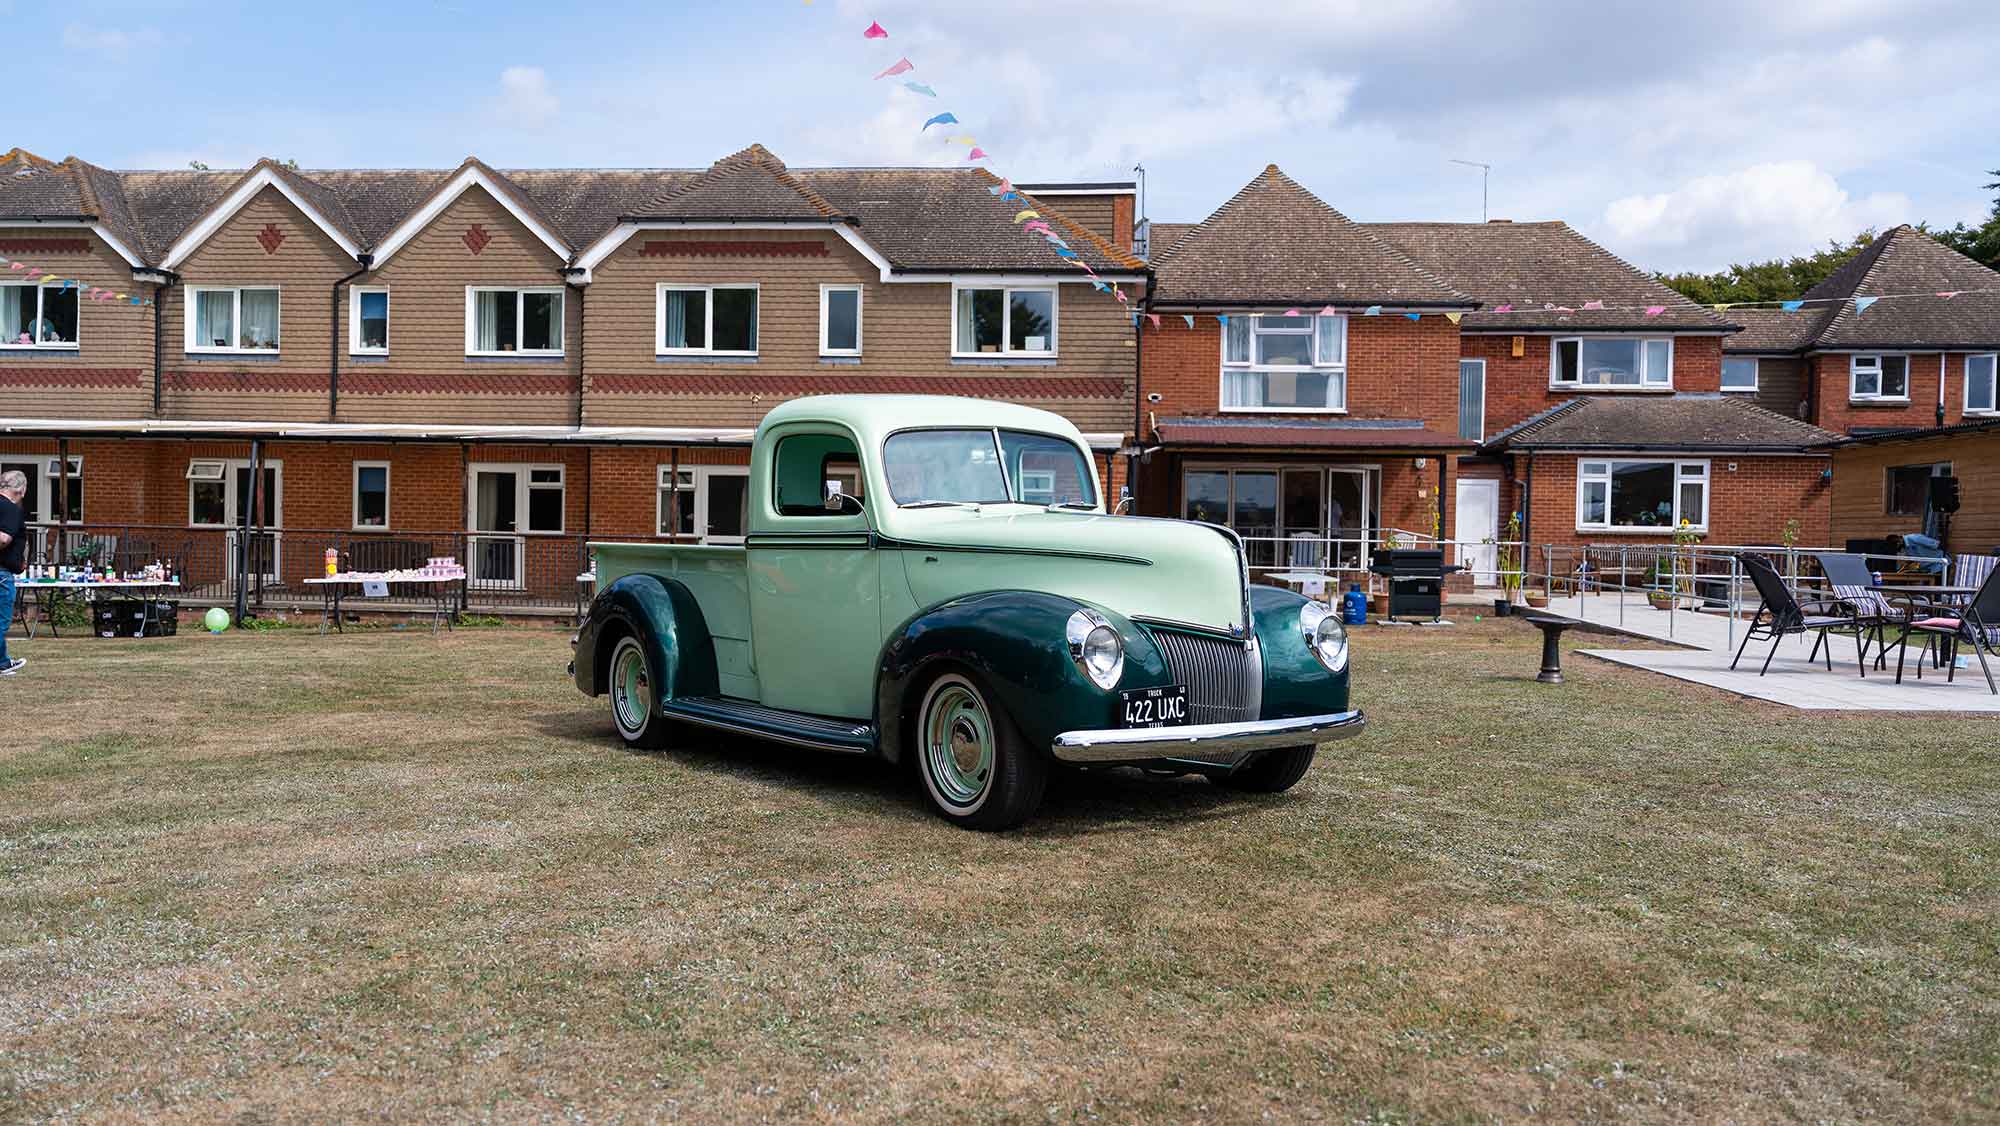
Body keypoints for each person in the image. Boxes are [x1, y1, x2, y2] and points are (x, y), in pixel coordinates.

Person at [0, 470, 26, 675]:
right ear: (21, 489)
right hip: (2, 572)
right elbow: (4, 539)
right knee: (1, 620)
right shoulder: (10, 509)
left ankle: (3, 662)